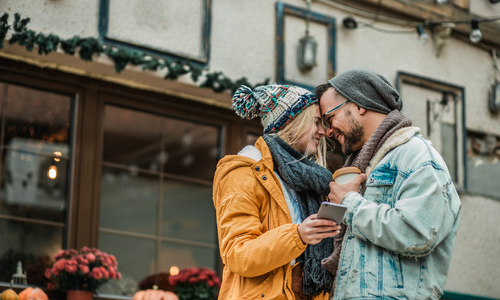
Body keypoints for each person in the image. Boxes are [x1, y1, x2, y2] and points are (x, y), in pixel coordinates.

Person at [315, 69, 461, 300]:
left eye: (329, 118)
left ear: (358, 105)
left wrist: (349, 203)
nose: (327, 131)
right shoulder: (367, 164)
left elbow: (417, 233)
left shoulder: (417, 157)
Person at [213, 84, 341, 300]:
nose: (323, 131)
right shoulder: (243, 172)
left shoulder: (312, 179)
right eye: (316, 122)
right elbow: (238, 254)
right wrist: (298, 235)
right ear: (291, 122)